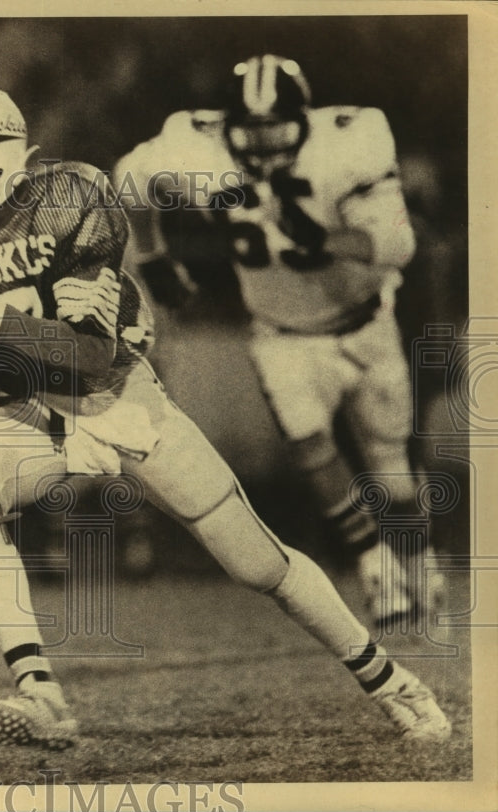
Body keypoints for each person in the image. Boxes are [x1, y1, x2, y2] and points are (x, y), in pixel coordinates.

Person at [0, 81, 452, 751]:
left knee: (258, 564)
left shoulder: (68, 200)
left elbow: (92, 355)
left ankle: (392, 682)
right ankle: (43, 695)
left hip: (117, 398)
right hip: (27, 405)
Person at [113, 54, 441, 629]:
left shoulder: (350, 141)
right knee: (309, 445)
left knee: (393, 474)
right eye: (252, 132)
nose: (264, 148)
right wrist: (151, 251)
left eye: (277, 129)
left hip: (366, 322)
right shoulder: (197, 148)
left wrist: (323, 238)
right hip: (279, 331)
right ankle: (373, 567)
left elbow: (397, 245)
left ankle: (421, 564)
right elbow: (129, 179)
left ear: (305, 120)